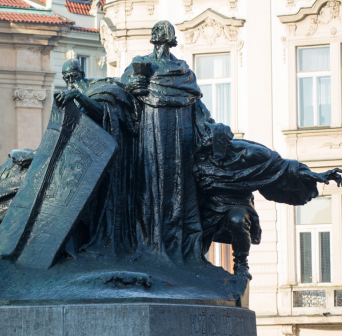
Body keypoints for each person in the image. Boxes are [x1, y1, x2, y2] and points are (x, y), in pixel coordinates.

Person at [193, 108, 342, 277]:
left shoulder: (250, 153)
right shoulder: (196, 158)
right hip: (209, 206)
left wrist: (317, 175)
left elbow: (285, 168)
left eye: (209, 149)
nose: (205, 154)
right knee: (189, 234)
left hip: (237, 203)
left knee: (237, 220)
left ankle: (241, 265)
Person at [121, 20, 205, 264]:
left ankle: (179, 247)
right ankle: (150, 243)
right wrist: (132, 88)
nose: (161, 42)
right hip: (150, 130)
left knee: (179, 186)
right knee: (149, 184)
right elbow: (122, 92)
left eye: (164, 37)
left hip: (180, 134)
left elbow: (196, 102)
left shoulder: (182, 69)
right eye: (159, 36)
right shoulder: (140, 64)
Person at [55, 59, 138, 256]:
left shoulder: (99, 88)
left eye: (73, 76)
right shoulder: (73, 98)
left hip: (105, 157)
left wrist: (78, 96)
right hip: (81, 158)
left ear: (81, 74)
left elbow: (103, 113)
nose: (71, 81)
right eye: (67, 78)